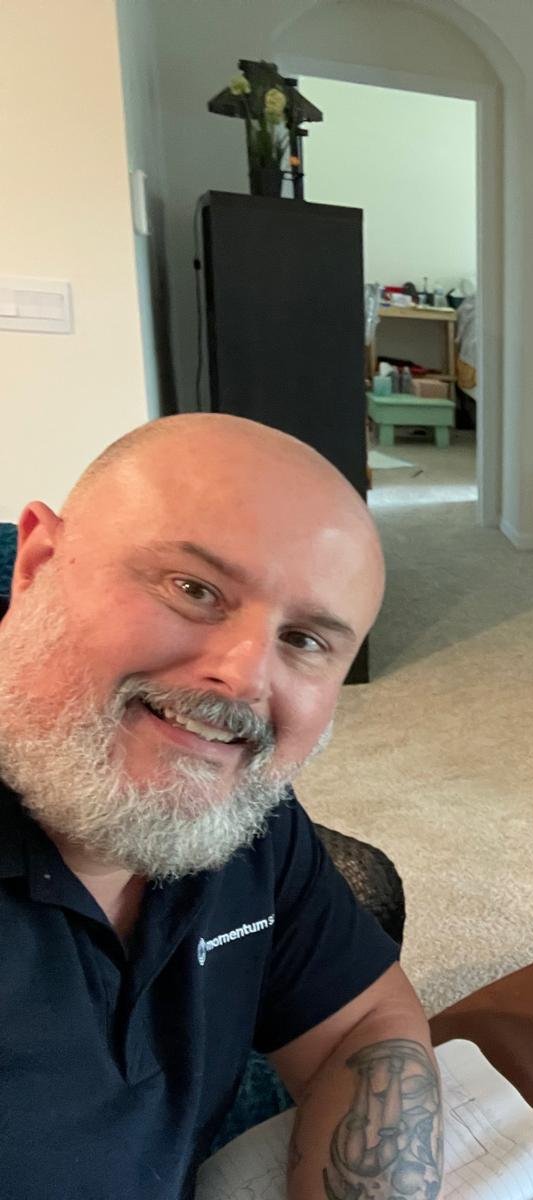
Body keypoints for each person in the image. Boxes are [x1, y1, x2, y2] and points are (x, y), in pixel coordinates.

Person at [0, 415, 443, 1198]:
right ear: (37, 564)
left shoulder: (234, 802)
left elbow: (363, 1023)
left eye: (305, 640)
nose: (244, 678)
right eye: (194, 590)